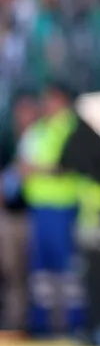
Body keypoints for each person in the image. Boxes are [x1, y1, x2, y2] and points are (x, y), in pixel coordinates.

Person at [19, 82, 86, 338]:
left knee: (68, 269)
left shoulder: (71, 128)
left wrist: (39, 170)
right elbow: (24, 164)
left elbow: (69, 166)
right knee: (42, 272)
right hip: (40, 208)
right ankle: (43, 325)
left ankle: (75, 324)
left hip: (64, 207)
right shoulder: (39, 130)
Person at [0, 93, 38, 333]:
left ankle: (31, 323)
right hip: (8, 216)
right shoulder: (8, 140)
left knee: (29, 274)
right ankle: (14, 322)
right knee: (10, 273)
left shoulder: (40, 138)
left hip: (32, 214)